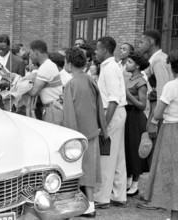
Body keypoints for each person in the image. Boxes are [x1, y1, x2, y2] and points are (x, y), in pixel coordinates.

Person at [141, 48, 178, 220]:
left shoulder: (171, 86)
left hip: (173, 131)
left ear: (171, 66)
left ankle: (175, 217)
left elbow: (158, 114)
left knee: (174, 173)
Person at [63, 47, 108, 218]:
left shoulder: (71, 84)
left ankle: (85, 207)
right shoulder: (90, 79)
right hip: (92, 131)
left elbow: (69, 113)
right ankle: (90, 205)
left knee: (77, 170)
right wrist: (103, 130)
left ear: (69, 63)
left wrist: (71, 136)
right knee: (90, 170)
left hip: (77, 133)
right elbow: (98, 105)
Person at [93, 36, 127, 208]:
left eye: (97, 49)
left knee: (106, 155)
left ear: (104, 50)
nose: (95, 52)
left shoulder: (109, 68)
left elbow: (113, 99)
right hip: (116, 112)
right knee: (118, 154)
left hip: (112, 112)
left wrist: (104, 125)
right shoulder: (110, 66)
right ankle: (119, 195)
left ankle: (102, 198)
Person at [124, 51, 150, 196]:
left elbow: (142, 105)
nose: (126, 64)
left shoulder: (141, 82)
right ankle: (128, 181)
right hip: (127, 115)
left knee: (135, 149)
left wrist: (127, 95)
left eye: (129, 62)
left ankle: (135, 184)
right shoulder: (128, 78)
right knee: (127, 147)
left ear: (137, 65)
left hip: (136, 116)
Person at [29, 39, 63, 125]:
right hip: (53, 108)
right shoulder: (49, 64)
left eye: (30, 53)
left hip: (52, 110)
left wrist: (19, 85)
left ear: (36, 52)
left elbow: (33, 92)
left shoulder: (45, 67)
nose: (29, 56)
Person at [0, 34, 25, 104]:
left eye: (3, 49)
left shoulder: (19, 62)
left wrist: (9, 84)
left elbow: (22, 85)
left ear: (9, 46)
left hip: (10, 101)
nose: (0, 51)